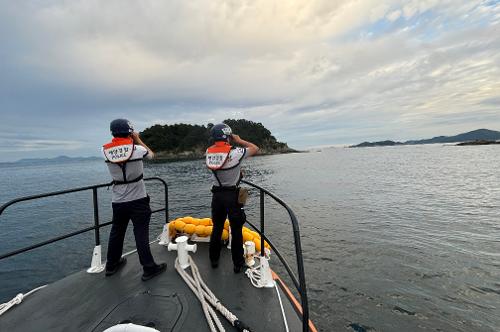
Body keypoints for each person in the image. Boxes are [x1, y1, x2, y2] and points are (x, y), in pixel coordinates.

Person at [102, 118, 166, 281]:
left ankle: (111, 265)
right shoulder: (137, 149)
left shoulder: (104, 150)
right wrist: (137, 138)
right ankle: (148, 268)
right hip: (138, 199)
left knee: (117, 232)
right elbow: (151, 155)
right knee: (140, 232)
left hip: (118, 200)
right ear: (130, 132)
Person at [205, 123, 259, 273]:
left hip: (217, 195)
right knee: (236, 230)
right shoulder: (236, 152)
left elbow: (218, 167)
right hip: (232, 196)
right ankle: (237, 264)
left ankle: (214, 260)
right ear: (228, 136)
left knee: (217, 227)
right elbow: (255, 148)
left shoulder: (208, 152)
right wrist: (240, 140)